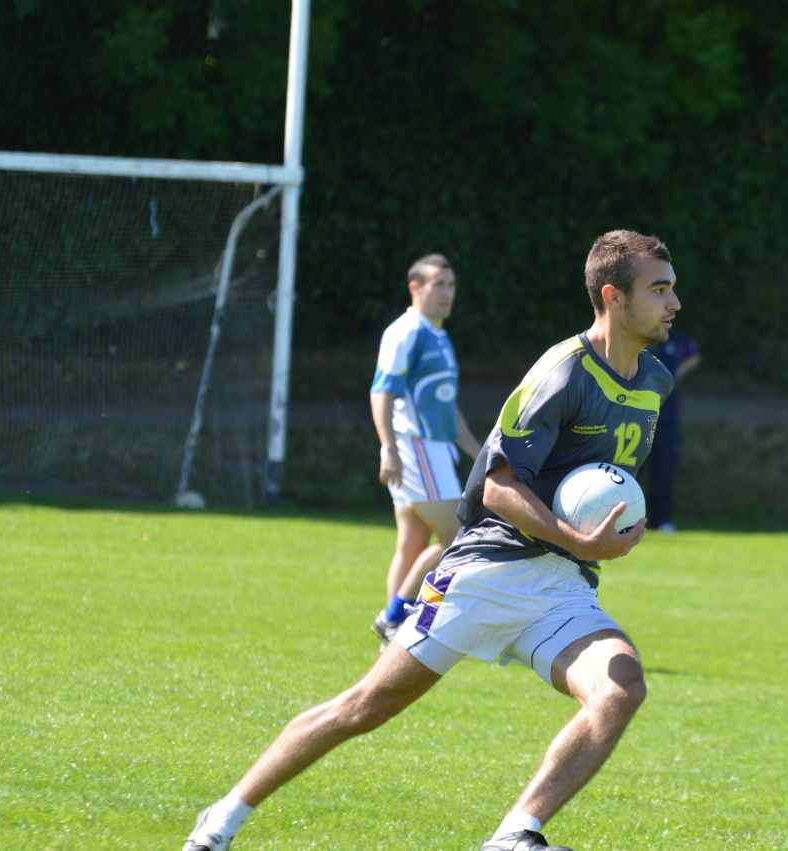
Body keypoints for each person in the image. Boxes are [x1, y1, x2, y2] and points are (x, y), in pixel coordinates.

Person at [182, 230, 680, 851]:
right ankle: (222, 817)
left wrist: (612, 525)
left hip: (561, 586)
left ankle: (515, 834)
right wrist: (577, 534)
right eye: (658, 289)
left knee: (621, 687)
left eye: (672, 288)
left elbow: (600, 482)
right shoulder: (562, 372)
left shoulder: (655, 383)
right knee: (366, 706)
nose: (674, 303)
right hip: (489, 570)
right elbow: (497, 489)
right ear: (613, 296)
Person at [369, 254, 483, 649]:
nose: (446, 294)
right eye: (438, 285)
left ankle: (393, 637)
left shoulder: (438, 334)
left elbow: (445, 405)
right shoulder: (407, 331)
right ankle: (395, 616)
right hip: (417, 449)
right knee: (461, 539)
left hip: (433, 451)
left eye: (450, 286)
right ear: (415, 288)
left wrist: (479, 451)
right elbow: (381, 392)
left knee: (412, 545)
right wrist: (388, 447)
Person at [643, 328, 701, 532]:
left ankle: (662, 519)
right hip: (636, 415)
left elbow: (694, 355)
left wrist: (678, 372)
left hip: (666, 418)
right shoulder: (637, 337)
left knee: (663, 469)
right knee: (627, 468)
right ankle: (623, 518)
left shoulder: (677, 340)